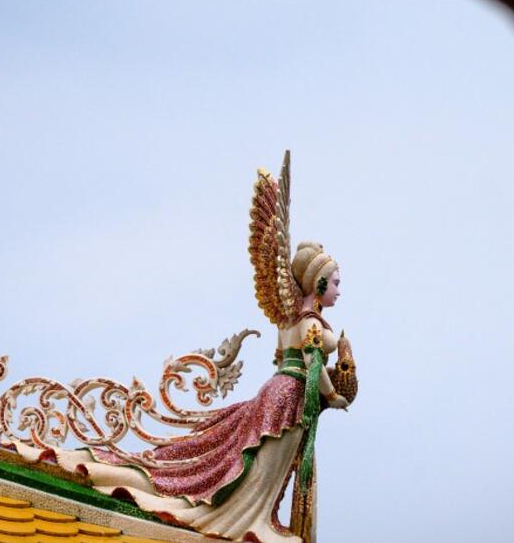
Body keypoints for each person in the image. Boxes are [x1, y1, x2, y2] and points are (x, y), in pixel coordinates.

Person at [53, 155, 352, 543]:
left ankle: (251, 514)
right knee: (265, 465)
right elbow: (313, 363)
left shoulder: (288, 320)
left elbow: (286, 358)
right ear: (319, 283)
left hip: (277, 392)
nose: (340, 291)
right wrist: (334, 396)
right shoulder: (311, 324)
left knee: (259, 460)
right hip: (290, 397)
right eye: (336, 283)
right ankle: (247, 519)